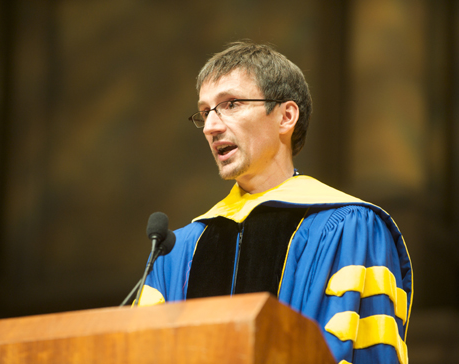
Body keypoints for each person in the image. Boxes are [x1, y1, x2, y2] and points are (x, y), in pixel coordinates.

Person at [139, 41, 413, 364]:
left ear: (285, 116)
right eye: (204, 112)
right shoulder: (177, 251)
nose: (211, 126)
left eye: (231, 104)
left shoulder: (349, 228)